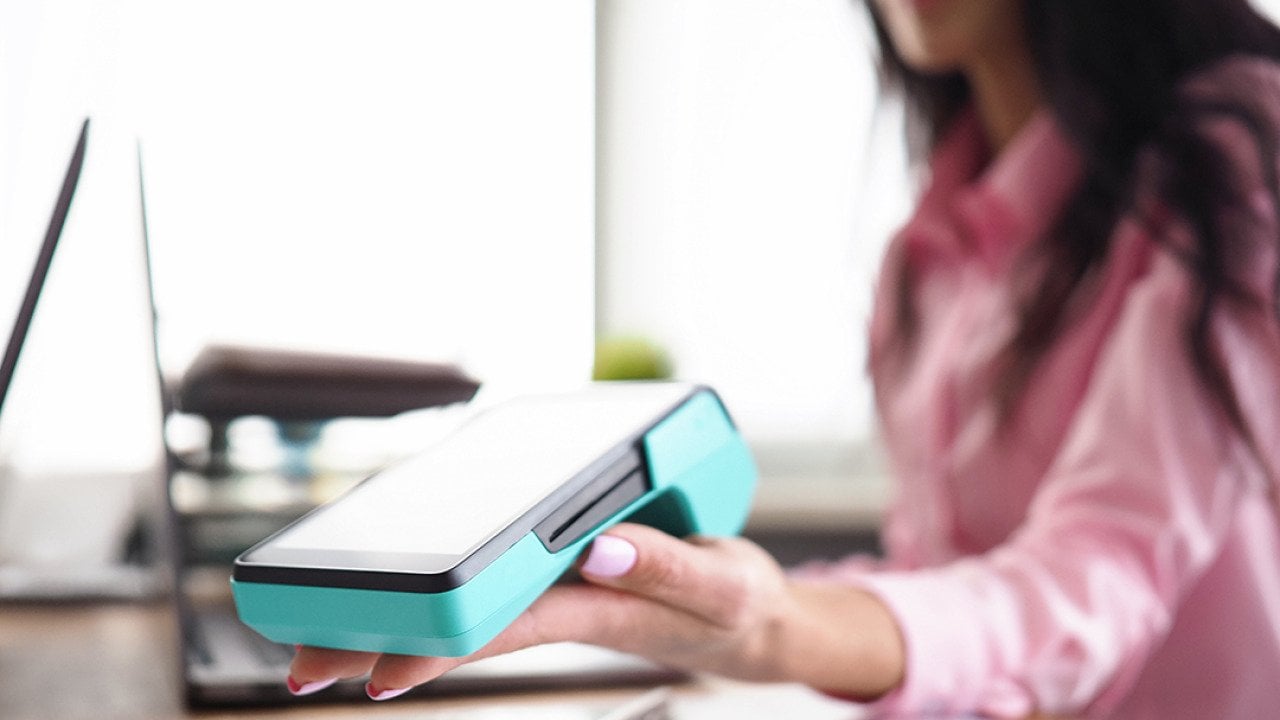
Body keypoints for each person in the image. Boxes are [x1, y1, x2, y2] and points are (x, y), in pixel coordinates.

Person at [286, 1, 1280, 716]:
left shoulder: (1233, 151)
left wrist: (772, 626)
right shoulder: (924, 256)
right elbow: (944, 579)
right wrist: (697, 609)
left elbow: (1090, 575)